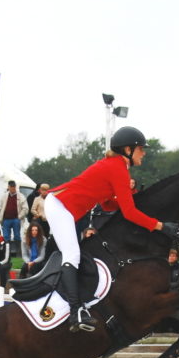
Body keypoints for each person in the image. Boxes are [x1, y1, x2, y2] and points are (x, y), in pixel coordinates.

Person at [44, 126, 164, 331]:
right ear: (128, 149)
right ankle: (75, 312)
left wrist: (130, 202)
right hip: (59, 206)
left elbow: (108, 204)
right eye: (141, 149)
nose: (143, 153)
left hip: (62, 206)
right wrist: (159, 225)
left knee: (74, 254)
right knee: (72, 255)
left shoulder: (116, 166)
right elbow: (129, 213)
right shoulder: (118, 168)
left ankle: (76, 307)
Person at [0, 180, 28, 256]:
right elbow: (0, 207)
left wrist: (19, 217)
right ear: (8, 187)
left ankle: (19, 254)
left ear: (15, 187)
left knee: (17, 236)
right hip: (6, 220)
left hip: (16, 219)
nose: (12, 188)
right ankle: (7, 254)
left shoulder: (21, 196)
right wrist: (1, 216)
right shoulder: (4, 196)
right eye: (11, 187)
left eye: (13, 187)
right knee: (6, 237)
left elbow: (25, 209)